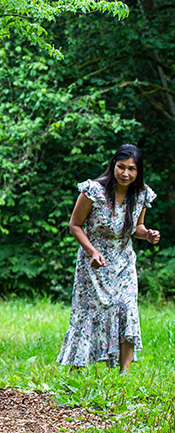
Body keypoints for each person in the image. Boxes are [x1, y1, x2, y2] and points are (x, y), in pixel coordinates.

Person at [58, 144, 160, 372]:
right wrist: (92, 251)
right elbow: (75, 225)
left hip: (124, 262)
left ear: (138, 171)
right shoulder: (94, 190)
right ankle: (78, 369)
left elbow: (137, 227)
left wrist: (148, 234)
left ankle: (123, 374)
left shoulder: (141, 194)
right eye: (121, 167)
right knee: (89, 311)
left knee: (127, 307)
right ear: (113, 165)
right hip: (93, 261)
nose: (125, 173)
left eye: (131, 169)